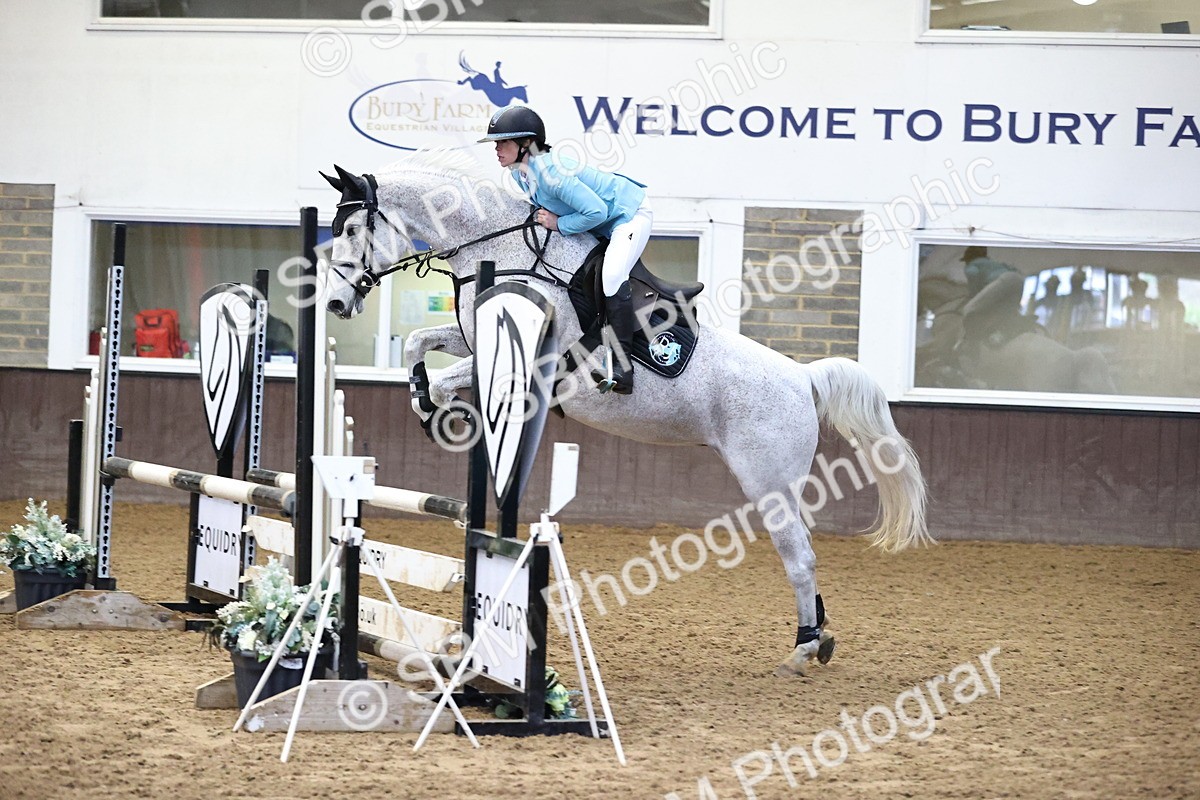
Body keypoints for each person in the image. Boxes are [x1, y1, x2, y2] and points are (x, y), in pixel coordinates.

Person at [478, 104, 652, 394]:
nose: (496, 148)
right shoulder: (518, 174)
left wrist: (558, 224)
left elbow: (595, 212)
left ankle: (623, 368)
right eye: (496, 142)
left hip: (627, 215)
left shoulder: (551, 173)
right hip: (599, 222)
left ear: (525, 144)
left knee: (611, 277)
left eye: (503, 142)